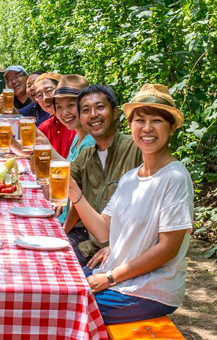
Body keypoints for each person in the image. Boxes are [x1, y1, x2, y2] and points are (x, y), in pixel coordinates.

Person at [68, 83, 193, 323]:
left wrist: (111, 277)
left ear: (171, 127)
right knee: (56, 285)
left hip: (147, 291)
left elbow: (168, 249)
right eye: (140, 121)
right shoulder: (130, 178)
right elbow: (104, 232)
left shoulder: (174, 177)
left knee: (62, 308)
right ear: (130, 125)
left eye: (156, 121)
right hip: (117, 279)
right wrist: (76, 194)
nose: (147, 128)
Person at [65, 85, 142, 265]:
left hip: (124, 249)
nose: (93, 114)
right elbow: (63, 183)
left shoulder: (137, 149)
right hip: (90, 243)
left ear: (115, 113)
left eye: (100, 107)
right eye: (86, 110)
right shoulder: (86, 156)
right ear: (81, 119)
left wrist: (117, 248)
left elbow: (152, 214)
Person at [43, 75, 95, 223]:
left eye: (71, 105)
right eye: (59, 107)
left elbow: (81, 195)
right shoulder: (78, 137)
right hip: (61, 215)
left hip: (77, 227)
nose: (64, 113)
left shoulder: (91, 142)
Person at [33, 72, 76, 158]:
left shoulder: (77, 123)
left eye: (49, 91)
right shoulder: (44, 127)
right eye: (39, 95)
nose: (45, 98)